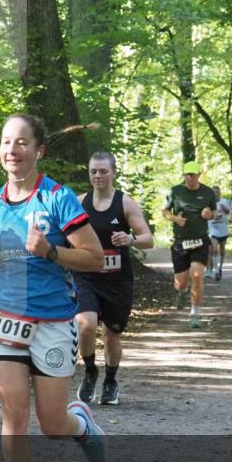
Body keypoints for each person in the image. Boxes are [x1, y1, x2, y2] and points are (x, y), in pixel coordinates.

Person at [0, 114, 107, 462]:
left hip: (52, 320)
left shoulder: (58, 199)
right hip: (3, 316)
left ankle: (80, 423)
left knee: (51, 424)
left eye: (22, 142)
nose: (12, 150)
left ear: (39, 150)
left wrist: (50, 251)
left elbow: (95, 259)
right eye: (6, 141)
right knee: (13, 410)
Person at [73, 151, 154, 407]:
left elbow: (148, 239)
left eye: (103, 171)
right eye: (93, 171)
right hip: (87, 277)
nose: (97, 176)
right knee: (85, 324)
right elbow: (62, 234)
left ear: (114, 173)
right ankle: (89, 371)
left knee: (111, 334)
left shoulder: (125, 203)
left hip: (117, 281)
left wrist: (130, 239)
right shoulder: (79, 203)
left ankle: (110, 380)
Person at [162, 161, 216, 329]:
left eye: (193, 175)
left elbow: (214, 212)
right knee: (181, 283)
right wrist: (175, 219)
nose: (190, 178)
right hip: (180, 242)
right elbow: (165, 211)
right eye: (187, 175)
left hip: (200, 240)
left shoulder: (207, 192)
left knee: (197, 275)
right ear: (184, 175)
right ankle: (182, 291)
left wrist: (209, 214)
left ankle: (194, 314)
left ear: (199, 175)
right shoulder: (175, 191)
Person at [206, 185, 231, 281]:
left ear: (220, 193)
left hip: (223, 228)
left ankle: (220, 268)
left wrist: (225, 209)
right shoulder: (208, 203)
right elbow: (204, 215)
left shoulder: (225, 201)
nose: (215, 194)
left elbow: (230, 213)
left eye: (217, 192)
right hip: (213, 228)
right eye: (213, 192)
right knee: (215, 249)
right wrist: (212, 216)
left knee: (222, 250)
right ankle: (216, 271)